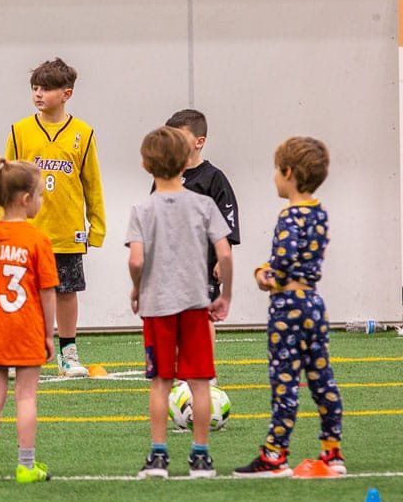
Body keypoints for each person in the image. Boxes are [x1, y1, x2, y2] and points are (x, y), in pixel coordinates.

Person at [234, 137, 345, 477]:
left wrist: (261, 274)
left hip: (287, 307)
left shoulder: (289, 217)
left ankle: (275, 454)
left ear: (287, 172)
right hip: (313, 302)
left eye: (275, 171)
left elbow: (280, 267)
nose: (274, 178)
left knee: (285, 380)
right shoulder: (320, 214)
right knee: (321, 377)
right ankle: (332, 450)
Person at [126, 126, 232, 479]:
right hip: (194, 304)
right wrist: (225, 294)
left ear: (145, 164)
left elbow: (136, 260)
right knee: (200, 383)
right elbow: (225, 253)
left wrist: (137, 289)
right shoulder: (203, 204)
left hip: (158, 308)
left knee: (160, 382)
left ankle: (158, 457)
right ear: (186, 161)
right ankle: (201, 457)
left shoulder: (143, 208)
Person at [5, 58, 104, 378]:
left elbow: (92, 183)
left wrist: (97, 227)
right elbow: (6, 178)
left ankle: (68, 353)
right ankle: (19, 350)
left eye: (46, 89)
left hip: (67, 230)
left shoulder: (83, 134)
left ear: (66, 93)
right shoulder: (19, 131)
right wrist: (3, 220)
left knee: (66, 291)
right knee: (23, 292)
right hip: (27, 230)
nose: (38, 94)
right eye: (35, 88)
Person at [0, 157, 57, 484]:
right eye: (39, 195)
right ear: (24, 198)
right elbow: (47, 293)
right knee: (26, 397)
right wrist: (49, 335)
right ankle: (26, 464)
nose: (41, 200)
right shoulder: (38, 240)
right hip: (26, 329)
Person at [164, 109, 240, 383]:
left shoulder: (213, 178)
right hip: (171, 264)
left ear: (199, 141)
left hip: (202, 264)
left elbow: (227, 219)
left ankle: (205, 371)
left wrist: (224, 257)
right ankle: (179, 370)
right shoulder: (166, 175)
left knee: (202, 316)